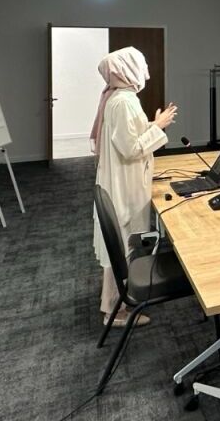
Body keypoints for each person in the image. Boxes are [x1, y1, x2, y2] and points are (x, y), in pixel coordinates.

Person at [91, 47, 178, 327]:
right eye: (142, 65)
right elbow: (130, 148)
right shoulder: (125, 101)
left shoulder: (118, 98)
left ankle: (112, 304)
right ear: (128, 69)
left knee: (120, 245)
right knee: (122, 244)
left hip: (121, 180)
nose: (145, 72)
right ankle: (115, 312)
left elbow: (128, 135)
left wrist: (153, 123)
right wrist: (159, 126)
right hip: (124, 184)